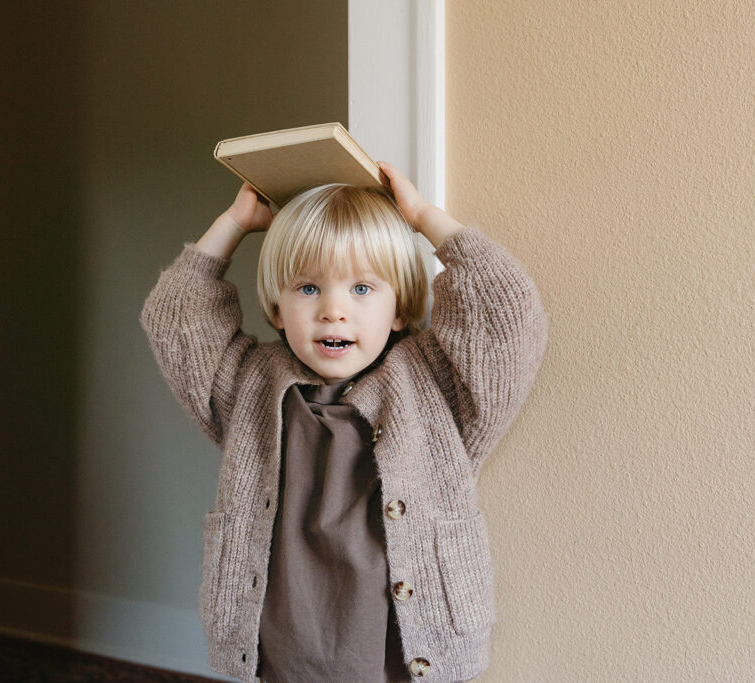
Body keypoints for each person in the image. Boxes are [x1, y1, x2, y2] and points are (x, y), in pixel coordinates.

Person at [141, 161, 549, 682]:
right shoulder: (249, 385)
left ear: (399, 309)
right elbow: (177, 322)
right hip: (286, 643)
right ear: (275, 306)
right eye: (308, 289)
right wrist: (234, 223)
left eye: (362, 289)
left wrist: (425, 217)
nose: (334, 311)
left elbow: (504, 319)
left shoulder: (431, 383)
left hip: (403, 647)